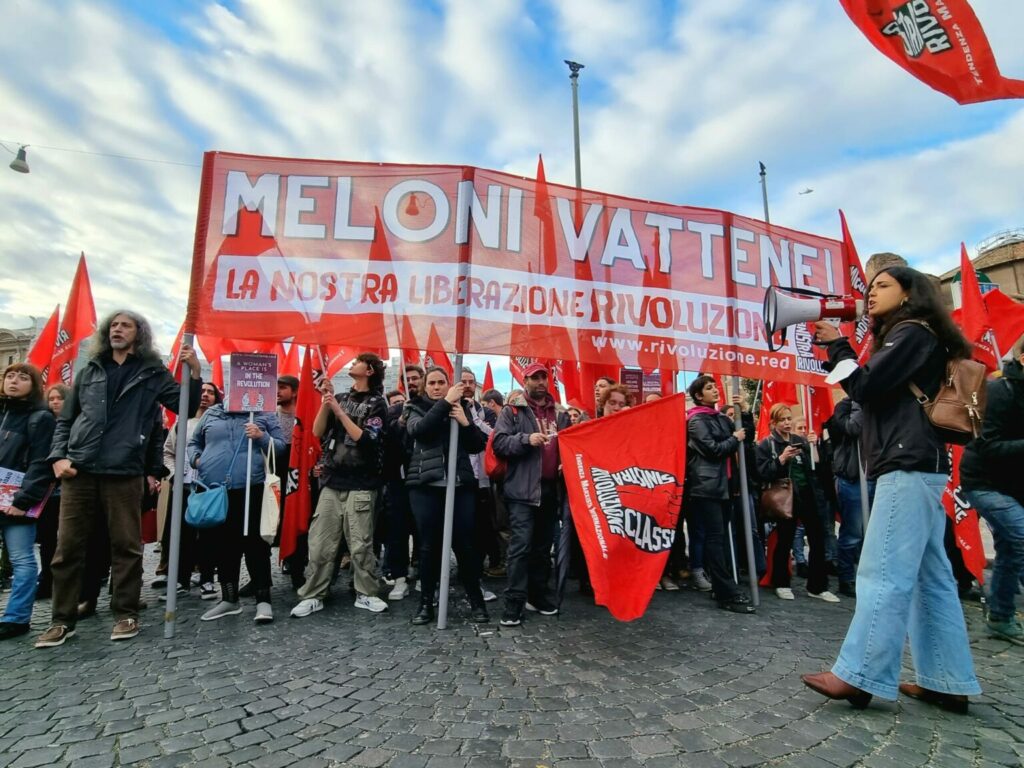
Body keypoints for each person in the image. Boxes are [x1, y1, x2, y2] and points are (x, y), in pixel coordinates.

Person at [803, 265, 981, 712]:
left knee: (881, 572)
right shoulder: (918, 334)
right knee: (931, 578)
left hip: (906, 462)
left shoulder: (911, 332)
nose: (871, 294)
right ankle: (947, 679)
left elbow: (864, 386)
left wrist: (837, 345)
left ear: (909, 294)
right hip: (918, 462)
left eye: (883, 286)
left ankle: (859, 674)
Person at [36, 311, 202, 648]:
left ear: (139, 333)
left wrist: (195, 371)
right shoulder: (89, 370)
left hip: (124, 469)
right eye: (113, 325)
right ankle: (61, 620)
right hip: (80, 469)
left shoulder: (152, 373)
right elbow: (67, 420)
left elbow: (185, 406)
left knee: (126, 546)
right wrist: (58, 458)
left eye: (125, 325)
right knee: (67, 549)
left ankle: (126, 613)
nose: (117, 330)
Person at [290, 353, 388, 618]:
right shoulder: (341, 398)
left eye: (358, 361)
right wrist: (327, 402)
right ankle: (313, 594)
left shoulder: (378, 402)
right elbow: (318, 431)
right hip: (333, 481)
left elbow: (366, 439)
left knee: (360, 544)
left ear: (369, 371)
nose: (352, 363)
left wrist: (338, 411)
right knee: (321, 542)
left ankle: (366, 593)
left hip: (362, 483)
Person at [188, 392, 285, 623]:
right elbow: (194, 442)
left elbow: (280, 446)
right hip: (216, 490)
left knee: (256, 545)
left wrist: (261, 436)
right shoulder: (212, 413)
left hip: (250, 489)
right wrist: (197, 460)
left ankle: (263, 599)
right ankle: (229, 599)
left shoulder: (264, 414)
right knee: (222, 546)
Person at [403, 367, 489, 624]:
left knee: (465, 546)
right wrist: (445, 402)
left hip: (459, 485)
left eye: (442, 382)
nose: (437, 386)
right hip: (425, 486)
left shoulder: (461, 408)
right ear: (425, 386)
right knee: (428, 547)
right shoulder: (414, 407)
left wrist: (464, 422)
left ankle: (476, 601)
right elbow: (420, 431)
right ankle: (426, 603)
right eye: (432, 383)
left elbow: (476, 445)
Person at [493, 362, 570, 626]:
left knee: (541, 548)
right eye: (533, 378)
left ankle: (537, 595)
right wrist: (527, 440)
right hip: (522, 491)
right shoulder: (513, 410)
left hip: (549, 489)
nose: (539, 382)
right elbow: (499, 443)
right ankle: (514, 602)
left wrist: (565, 462)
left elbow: (570, 445)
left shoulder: (560, 413)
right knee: (520, 548)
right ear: (524, 381)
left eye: (543, 377)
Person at [960, 334, 1024, 644]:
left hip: (1015, 486)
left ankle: (1000, 616)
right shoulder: (999, 390)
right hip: (984, 483)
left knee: (1012, 550)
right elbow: (987, 446)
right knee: (1022, 538)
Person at [683, 376, 755, 614]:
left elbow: (747, 437)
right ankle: (726, 591)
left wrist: (743, 413)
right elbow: (713, 450)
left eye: (715, 386)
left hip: (724, 486)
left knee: (722, 537)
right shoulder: (695, 421)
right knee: (715, 538)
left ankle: (722, 586)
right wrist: (734, 438)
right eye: (709, 388)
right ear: (698, 396)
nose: (715, 390)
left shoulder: (720, 418)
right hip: (706, 487)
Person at [756, 405, 839, 603]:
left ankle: (818, 586)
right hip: (786, 498)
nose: (786, 423)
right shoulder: (766, 444)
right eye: (782, 419)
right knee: (785, 540)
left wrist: (814, 448)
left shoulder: (799, 441)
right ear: (773, 423)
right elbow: (762, 472)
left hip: (808, 496)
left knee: (817, 539)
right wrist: (782, 459)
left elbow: (818, 468)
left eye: (788, 418)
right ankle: (781, 583)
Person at [0, 364, 56, 640]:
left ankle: (17, 617)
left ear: (34, 386)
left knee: (22, 559)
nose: (14, 381)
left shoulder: (40, 418)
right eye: (9, 376)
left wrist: (23, 500)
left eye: (23, 378)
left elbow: (40, 464)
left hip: (17, 501)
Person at [162, 381, 221, 601]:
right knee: (179, 535)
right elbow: (168, 452)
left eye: (210, 393)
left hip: (208, 488)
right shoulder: (181, 424)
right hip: (183, 487)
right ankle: (180, 579)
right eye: (202, 392)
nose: (205, 396)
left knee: (208, 536)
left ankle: (207, 579)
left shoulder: (219, 422)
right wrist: (173, 474)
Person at [381, 364, 424, 601]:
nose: (412, 382)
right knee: (396, 531)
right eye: (407, 379)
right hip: (398, 480)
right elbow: (387, 440)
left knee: (425, 532)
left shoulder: (431, 407)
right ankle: (399, 578)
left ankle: (426, 576)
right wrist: (401, 420)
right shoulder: (394, 410)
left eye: (416, 378)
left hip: (425, 478)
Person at [827, 396, 874, 597]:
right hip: (853, 478)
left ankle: (869, 576)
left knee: (872, 533)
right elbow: (853, 428)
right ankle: (847, 579)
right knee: (852, 534)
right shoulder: (845, 407)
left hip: (875, 475)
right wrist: (859, 401)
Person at [34, 383, 68, 600]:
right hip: (46, 491)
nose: (55, 402)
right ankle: (47, 578)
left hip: (67, 490)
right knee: (47, 540)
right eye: (51, 398)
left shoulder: (74, 424)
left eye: (59, 398)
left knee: (68, 539)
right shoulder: (42, 424)